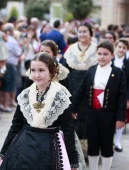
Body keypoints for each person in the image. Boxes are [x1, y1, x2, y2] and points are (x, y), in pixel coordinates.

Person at [0, 52, 79, 170]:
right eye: (33, 70)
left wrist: (73, 161)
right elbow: (16, 125)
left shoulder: (60, 97)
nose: (36, 75)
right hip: (23, 147)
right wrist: (3, 152)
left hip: (49, 147)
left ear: (51, 72)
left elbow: (68, 130)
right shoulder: (25, 95)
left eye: (41, 70)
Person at [71, 41, 127, 170]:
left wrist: (120, 117)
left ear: (112, 55)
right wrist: (74, 108)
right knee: (93, 142)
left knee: (107, 143)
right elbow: (81, 90)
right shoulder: (91, 70)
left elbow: (122, 96)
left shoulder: (118, 73)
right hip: (91, 113)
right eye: (99, 54)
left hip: (109, 114)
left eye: (105, 54)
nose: (102, 57)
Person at [64, 22, 97, 159]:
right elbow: (65, 70)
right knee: (73, 116)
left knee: (87, 118)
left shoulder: (96, 48)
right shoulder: (71, 49)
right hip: (72, 85)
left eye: (85, 31)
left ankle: (88, 151)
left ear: (90, 33)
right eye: (80, 31)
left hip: (90, 85)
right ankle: (73, 150)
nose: (82, 34)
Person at [113, 38, 129, 152]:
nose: (121, 50)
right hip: (110, 93)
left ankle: (118, 141)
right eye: (119, 47)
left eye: (124, 48)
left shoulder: (128, 64)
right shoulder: (110, 60)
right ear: (115, 47)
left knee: (120, 117)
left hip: (123, 95)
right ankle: (109, 139)